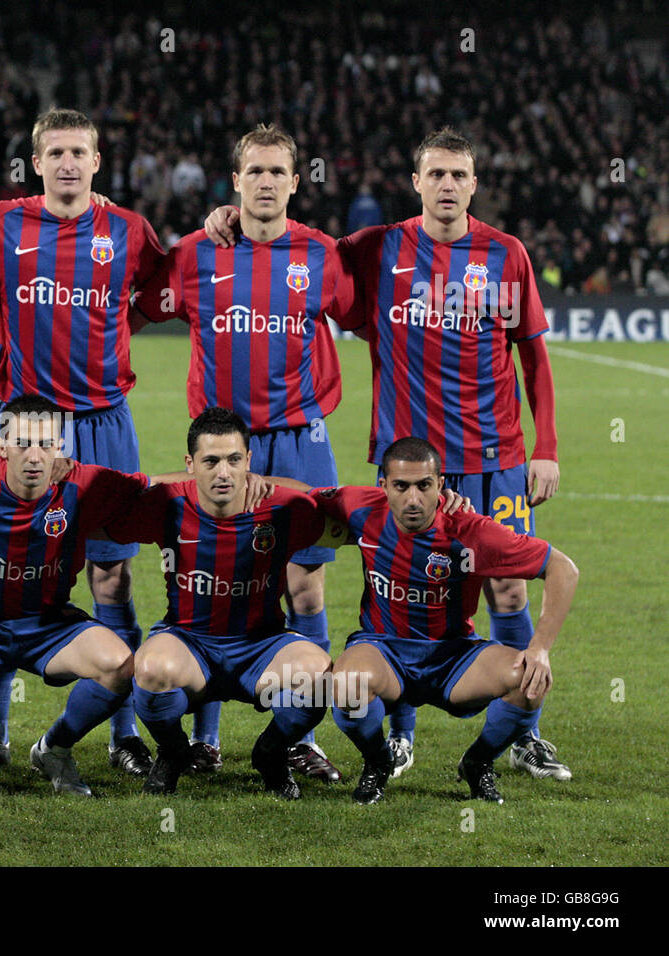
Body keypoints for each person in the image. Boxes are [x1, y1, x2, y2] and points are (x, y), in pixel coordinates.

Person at [206, 128, 568, 783]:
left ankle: (525, 735)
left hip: (496, 458)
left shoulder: (506, 255)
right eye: (437, 175)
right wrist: (237, 215)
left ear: (475, 184)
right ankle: (400, 738)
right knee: (400, 599)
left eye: (460, 175)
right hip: (410, 467)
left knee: (509, 588)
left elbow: (534, 357)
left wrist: (545, 449)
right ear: (418, 182)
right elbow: (298, 243)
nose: (449, 186)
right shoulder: (381, 248)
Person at [136, 123, 350, 782]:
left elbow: (375, 311)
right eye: (252, 171)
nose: (264, 182)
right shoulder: (197, 253)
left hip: (298, 438)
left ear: (294, 180)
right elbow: (135, 306)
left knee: (305, 586)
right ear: (235, 182)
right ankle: (205, 737)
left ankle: (294, 738)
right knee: (217, 587)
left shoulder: (320, 253)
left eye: (275, 172)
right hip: (225, 449)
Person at [0, 107, 168, 777]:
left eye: (81, 152)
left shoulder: (129, 230)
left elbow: (165, 290)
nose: (70, 163)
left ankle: (121, 732)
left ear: (98, 163)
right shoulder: (1, 223)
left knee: (113, 571)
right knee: (0, 583)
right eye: (58, 153)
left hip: (106, 420)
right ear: (37, 163)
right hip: (26, 425)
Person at [0, 394, 157, 796]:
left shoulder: (85, 484)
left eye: (46, 444)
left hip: (47, 627)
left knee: (121, 666)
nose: (35, 457)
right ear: (0, 446)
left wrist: (246, 486)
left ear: (61, 447)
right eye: (22, 444)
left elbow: (157, 487)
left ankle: (54, 748)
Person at [103, 407, 350, 797]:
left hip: (260, 646)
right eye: (211, 461)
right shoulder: (166, 501)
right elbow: (109, 494)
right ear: (190, 464)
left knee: (320, 678)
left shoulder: (280, 505)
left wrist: (444, 503)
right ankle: (172, 752)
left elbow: (342, 502)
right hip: (189, 642)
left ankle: (270, 754)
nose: (224, 472)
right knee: (148, 669)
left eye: (235, 460)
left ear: (249, 461)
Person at [316, 437, 578, 804]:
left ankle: (478, 762)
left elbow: (562, 568)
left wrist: (540, 649)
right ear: (383, 486)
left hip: (454, 657)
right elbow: (302, 498)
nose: (412, 498)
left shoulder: (472, 531)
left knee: (530, 681)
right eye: (401, 486)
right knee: (346, 686)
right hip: (384, 651)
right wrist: (252, 484)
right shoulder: (359, 507)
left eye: (424, 485)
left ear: (441, 485)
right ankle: (377, 762)